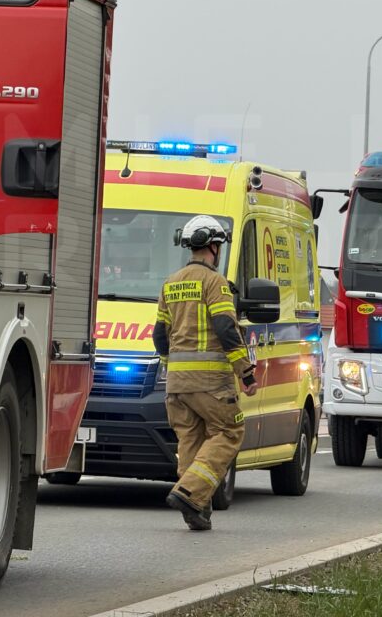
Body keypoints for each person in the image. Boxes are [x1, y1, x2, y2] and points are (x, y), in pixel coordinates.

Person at [153, 215, 258, 531]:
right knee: (229, 432)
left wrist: (172, 368)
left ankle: (196, 509)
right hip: (211, 382)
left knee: (191, 441)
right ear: (214, 246)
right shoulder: (216, 283)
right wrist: (246, 372)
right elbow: (226, 328)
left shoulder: (170, 283)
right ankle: (189, 494)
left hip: (176, 384)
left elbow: (160, 335)